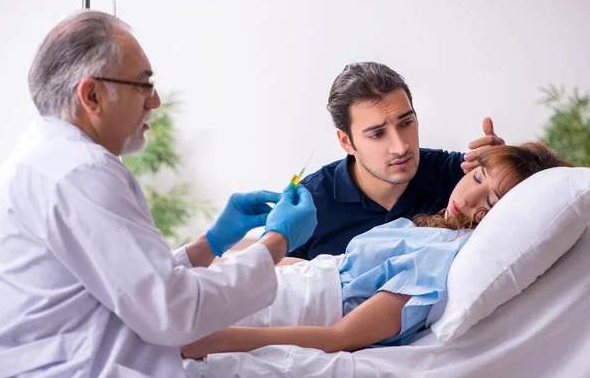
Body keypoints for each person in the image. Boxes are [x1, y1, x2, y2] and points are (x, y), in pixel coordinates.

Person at [0, 11, 317, 378]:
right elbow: (171, 311)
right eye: (143, 85)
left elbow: (129, 282)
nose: (155, 101)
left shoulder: (43, 158)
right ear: (92, 95)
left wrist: (208, 244)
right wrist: (277, 243)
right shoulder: (81, 172)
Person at [180, 143, 574, 359]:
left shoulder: (445, 256)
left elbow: (340, 336)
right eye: (476, 176)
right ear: (346, 141)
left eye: (492, 200)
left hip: (281, 308)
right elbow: (332, 271)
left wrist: (213, 341)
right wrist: (223, 249)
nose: (469, 197)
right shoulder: (431, 229)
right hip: (281, 284)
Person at [289, 62, 506, 260]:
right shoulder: (308, 202)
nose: (401, 147)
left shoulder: (462, 175)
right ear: (346, 142)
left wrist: (506, 168)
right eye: (377, 134)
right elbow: (276, 279)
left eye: (406, 123)